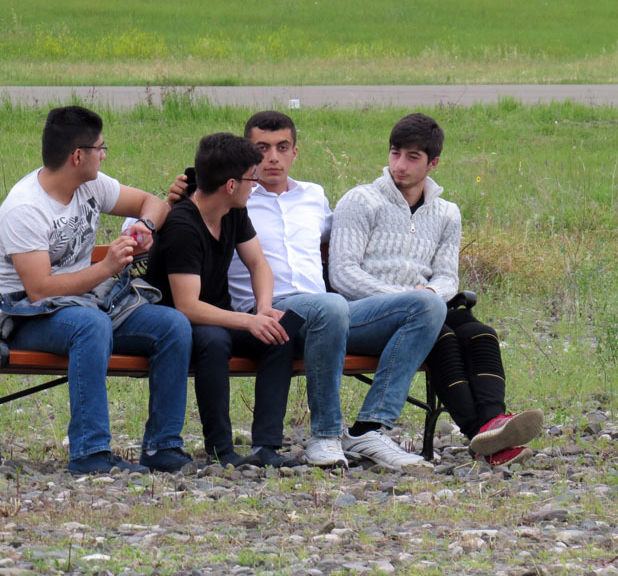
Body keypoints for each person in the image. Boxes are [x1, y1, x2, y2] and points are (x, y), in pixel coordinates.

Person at [169, 112, 446, 471]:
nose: (272, 158)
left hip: (329, 315)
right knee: (330, 306)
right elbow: (175, 223)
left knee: (428, 305)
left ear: (295, 152)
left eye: (282, 148)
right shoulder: (235, 196)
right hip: (271, 314)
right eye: (262, 149)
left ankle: (369, 428)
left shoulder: (313, 196)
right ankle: (325, 436)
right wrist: (173, 200)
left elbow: (351, 244)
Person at [330, 112, 544, 466]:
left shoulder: (446, 213)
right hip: (368, 313)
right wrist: (410, 300)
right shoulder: (361, 200)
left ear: (433, 163)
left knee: (480, 333)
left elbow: (446, 276)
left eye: (412, 157)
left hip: (424, 308)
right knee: (441, 336)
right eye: (395, 153)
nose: (400, 165)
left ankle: (493, 424)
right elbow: (343, 274)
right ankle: (483, 434)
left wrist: (431, 296)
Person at [0, 106, 193, 475]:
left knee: (172, 325)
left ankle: (162, 446)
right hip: (26, 316)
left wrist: (145, 226)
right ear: (77, 156)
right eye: (100, 148)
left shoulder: (92, 185)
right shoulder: (25, 208)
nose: (104, 155)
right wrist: (107, 267)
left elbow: (152, 203)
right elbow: (40, 290)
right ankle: (90, 452)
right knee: (90, 326)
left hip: (85, 305)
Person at [146, 132, 299, 468]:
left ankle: (267, 446)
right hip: (178, 324)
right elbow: (187, 305)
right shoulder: (183, 225)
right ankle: (221, 449)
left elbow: (258, 264)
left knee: (279, 333)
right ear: (231, 185)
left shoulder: (232, 211)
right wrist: (248, 321)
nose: (255, 186)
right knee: (214, 341)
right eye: (251, 179)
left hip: (219, 315)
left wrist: (263, 309)